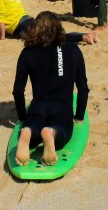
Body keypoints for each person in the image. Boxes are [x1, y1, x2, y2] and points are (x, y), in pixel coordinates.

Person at [12, 11, 91, 166]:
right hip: (62, 107)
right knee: (62, 129)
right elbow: (83, 88)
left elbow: (18, 91)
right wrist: (79, 117)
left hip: (38, 106)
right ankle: (52, 133)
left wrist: (22, 117)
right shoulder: (73, 50)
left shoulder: (27, 52)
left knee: (33, 126)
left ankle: (27, 132)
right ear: (59, 28)